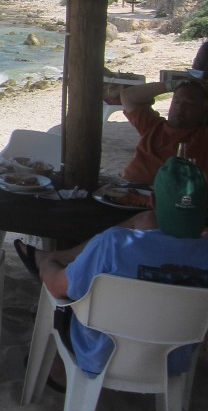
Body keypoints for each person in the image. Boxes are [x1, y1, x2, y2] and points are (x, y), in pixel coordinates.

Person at [16, 157, 208, 381]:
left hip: (101, 358)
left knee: (69, 300)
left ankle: (59, 371)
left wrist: (46, 264)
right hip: (169, 364)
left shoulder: (115, 245)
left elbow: (56, 287)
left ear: (153, 201)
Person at [119, 77, 208, 184]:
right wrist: (172, 84)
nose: (180, 107)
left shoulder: (203, 136)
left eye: (189, 103)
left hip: (172, 194)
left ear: (204, 108)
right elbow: (127, 96)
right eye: (176, 101)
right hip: (128, 188)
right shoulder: (152, 125)